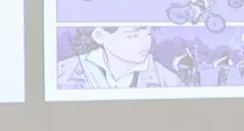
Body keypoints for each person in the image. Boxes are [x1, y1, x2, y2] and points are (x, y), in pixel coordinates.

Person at [55, 23, 184, 90]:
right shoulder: (62, 73)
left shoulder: (168, 80)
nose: (146, 43)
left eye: (149, 34)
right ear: (100, 36)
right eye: (132, 35)